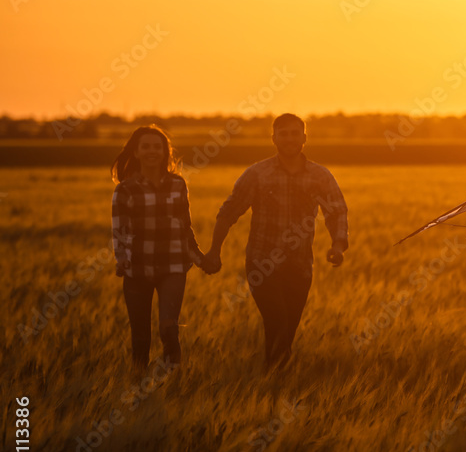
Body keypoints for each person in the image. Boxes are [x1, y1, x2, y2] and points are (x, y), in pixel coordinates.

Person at [201, 113, 348, 369]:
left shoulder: (320, 176)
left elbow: (336, 211)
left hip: (300, 265)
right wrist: (215, 250)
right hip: (262, 263)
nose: (290, 138)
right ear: (274, 138)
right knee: (277, 321)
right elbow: (229, 211)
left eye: (295, 133)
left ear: (304, 137)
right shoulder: (258, 174)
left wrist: (337, 245)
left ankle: (273, 379)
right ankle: (274, 379)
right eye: (284, 133)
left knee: (287, 328)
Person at [111, 125, 205, 371]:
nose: (152, 151)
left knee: (168, 327)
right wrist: (121, 259)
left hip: (173, 265)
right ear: (137, 152)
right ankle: (139, 377)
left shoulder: (177, 184)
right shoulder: (125, 189)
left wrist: (198, 257)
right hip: (137, 268)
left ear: (166, 152)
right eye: (146, 147)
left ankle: (172, 375)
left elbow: (185, 226)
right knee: (141, 335)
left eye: (157, 147)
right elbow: (120, 230)